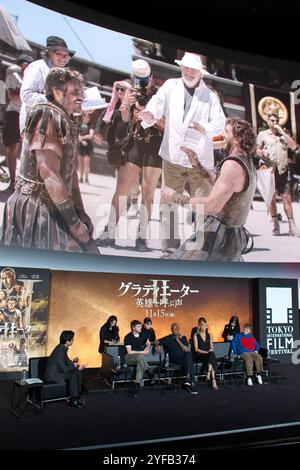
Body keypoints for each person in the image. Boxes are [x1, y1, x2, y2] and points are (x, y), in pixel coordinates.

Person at [1, 68, 98, 254]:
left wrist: (80, 211)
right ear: (57, 92)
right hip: (37, 208)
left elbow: (71, 173)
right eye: (76, 92)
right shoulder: (48, 115)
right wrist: (73, 223)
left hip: (56, 204)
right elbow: (49, 173)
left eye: (82, 91)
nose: (82, 96)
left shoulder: (66, 118)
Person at [141, 52, 226, 253]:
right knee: (168, 202)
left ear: (201, 73)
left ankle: (201, 247)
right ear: (181, 68)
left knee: (202, 205)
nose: (189, 72)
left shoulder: (210, 96)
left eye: (193, 69)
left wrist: (204, 128)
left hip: (199, 160)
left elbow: (220, 123)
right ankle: (169, 247)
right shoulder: (170, 86)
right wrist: (150, 115)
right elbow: (157, 104)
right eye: (186, 68)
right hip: (172, 155)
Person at [161, 118, 257, 261]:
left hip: (220, 238)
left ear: (237, 139)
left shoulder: (232, 166)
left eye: (226, 132)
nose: (222, 135)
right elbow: (223, 187)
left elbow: (211, 206)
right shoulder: (247, 163)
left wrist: (175, 197)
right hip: (230, 235)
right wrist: (198, 166)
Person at [96, 59, 164, 252]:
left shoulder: (162, 95)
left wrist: (148, 115)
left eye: (145, 80)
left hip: (155, 146)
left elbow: (168, 126)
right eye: (138, 80)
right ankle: (109, 233)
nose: (142, 84)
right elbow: (122, 122)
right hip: (136, 142)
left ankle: (142, 237)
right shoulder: (131, 92)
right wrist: (125, 106)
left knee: (148, 194)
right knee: (121, 190)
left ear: (152, 79)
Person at [93, 79, 140, 217]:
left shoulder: (133, 107)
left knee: (132, 178)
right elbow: (101, 120)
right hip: (116, 148)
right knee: (120, 179)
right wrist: (98, 132)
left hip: (130, 147)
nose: (119, 92)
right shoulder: (112, 107)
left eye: (122, 89)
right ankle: (124, 205)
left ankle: (134, 203)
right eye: (117, 89)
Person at [256, 112, 300, 237]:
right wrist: (262, 153)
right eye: (272, 120)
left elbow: (294, 147)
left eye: (276, 120)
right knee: (271, 198)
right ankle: (275, 224)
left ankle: (292, 226)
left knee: (287, 198)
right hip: (268, 169)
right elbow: (257, 149)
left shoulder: (283, 135)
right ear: (268, 121)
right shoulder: (262, 134)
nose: (274, 122)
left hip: (282, 170)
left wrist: (282, 132)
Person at [19, 36, 74, 134]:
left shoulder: (65, 74)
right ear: (49, 53)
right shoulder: (38, 67)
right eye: (59, 54)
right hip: (34, 125)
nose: (64, 58)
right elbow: (26, 95)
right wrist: (54, 100)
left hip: (54, 129)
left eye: (66, 55)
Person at [3, 54, 33, 191]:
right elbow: (13, 98)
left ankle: (23, 183)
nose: (27, 65)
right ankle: (12, 181)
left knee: (28, 150)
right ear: (20, 63)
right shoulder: (13, 77)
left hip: (29, 115)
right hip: (14, 114)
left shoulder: (34, 79)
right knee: (11, 148)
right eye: (25, 62)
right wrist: (30, 97)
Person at [45, 330, 86, 408]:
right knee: (74, 374)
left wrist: (76, 364)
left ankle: (76, 397)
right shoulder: (60, 350)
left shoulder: (62, 348)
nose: (73, 340)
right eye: (72, 339)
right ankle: (73, 400)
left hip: (58, 372)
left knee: (77, 371)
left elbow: (67, 361)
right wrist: (74, 366)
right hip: (54, 375)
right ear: (67, 341)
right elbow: (65, 369)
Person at [155, 323, 198, 395]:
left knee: (188, 355)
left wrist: (178, 340)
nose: (175, 331)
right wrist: (157, 345)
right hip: (174, 361)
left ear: (178, 330)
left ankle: (188, 381)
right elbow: (156, 341)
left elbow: (187, 349)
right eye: (173, 329)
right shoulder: (168, 338)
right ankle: (191, 382)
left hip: (183, 360)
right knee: (189, 358)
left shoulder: (183, 338)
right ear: (171, 330)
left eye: (176, 329)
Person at [124, 320, 156, 394]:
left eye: (140, 326)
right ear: (133, 328)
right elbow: (130, 352)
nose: (140, 328)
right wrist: (143, 352)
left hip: (139, 358)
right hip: (129, 358)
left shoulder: (143, 334)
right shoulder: (128, 337)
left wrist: (147, 347)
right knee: (140, 357)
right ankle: (149, 373)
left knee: (140, 363)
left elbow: (148, 343)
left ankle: (136, 388)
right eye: (138, 326)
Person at [192, 318, 218, 390]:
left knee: (211, 354)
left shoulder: (209, 335)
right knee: (211, 356)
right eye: (202, 325)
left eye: (205, 325)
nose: (204, 327)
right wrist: (206, 352)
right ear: (199, 326)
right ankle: (212, 378)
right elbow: (196, 349)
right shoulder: (196, 335)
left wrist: (210, 350)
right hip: (200, 354)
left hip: (208, 354)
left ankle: (210, 375)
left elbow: (212, 347)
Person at [78, 113, 94, 184]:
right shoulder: (79, 125)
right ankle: (81, 178)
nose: (86, 117)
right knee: (80, 163)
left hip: (88, 146)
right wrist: (81, 140)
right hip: (80, 146)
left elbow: (91, 135)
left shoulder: (90, 126)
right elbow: (77, 134)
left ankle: (86, 178)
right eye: (85, 116)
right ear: (82, 117)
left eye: (87, 116)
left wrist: (82, 138)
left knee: (86, 163)